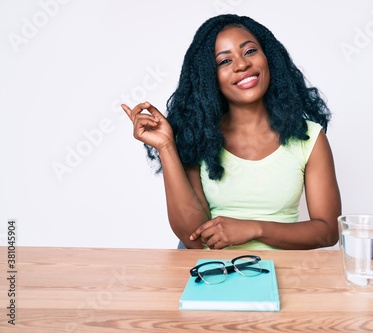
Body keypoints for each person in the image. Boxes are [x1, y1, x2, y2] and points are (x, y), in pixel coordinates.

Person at [121, 14, 341, 250]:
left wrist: (254, 229)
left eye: (250, 51)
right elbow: (192, 239)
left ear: (269, 59)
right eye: (224, 61)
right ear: (209, 78)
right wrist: (166, 146)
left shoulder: (308, 137)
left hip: (281, 274)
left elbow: (327, 232)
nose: (242, 65)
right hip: (211, 273)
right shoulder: (197, 135)